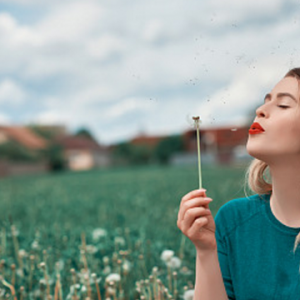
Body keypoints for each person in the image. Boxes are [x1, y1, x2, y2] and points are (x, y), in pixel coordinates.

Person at [177, 68, 300, 300]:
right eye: (266, 101)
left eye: (283, 105)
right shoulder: (233, 221)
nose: (260, 111)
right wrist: (206, 251)